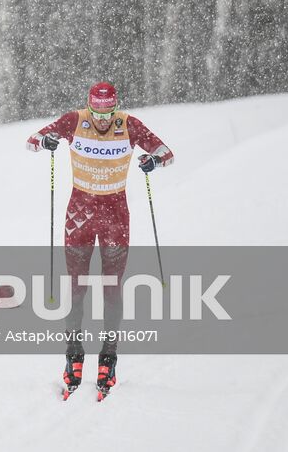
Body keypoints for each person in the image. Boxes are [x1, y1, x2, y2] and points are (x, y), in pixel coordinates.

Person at [25, 81, 174, 400]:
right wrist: (47, 141)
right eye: (97, 113)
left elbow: (166, 152)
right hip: (79, 212)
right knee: (76, 286)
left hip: (116, 213)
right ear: (88, 107)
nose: (103, 120)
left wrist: (154, 162)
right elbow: (32, 140)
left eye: (108, 113)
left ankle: (108, 360)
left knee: (111, 287)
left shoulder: (129, 125)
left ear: (115, 108)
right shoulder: (75, 120)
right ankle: (73, 358)